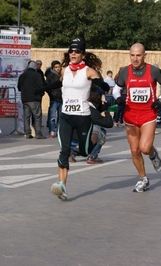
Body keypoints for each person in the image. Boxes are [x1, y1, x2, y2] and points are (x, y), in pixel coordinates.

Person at [38, 38, 110, 200]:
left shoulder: (89, 71)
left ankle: (98, 138)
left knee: (85, 151)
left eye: (77, 51)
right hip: (66, 116)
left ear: (82, 54)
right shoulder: (64, 70)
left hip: (83, 117)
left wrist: (102, 84)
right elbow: (58, 84)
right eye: (71, 51)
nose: (73, 53)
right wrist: (42, 88)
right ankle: (61, 185)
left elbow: (101, 85)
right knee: (64, 151)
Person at [113, 43, 161, 193]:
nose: (135, 58)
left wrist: (160, 99)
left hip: (148, 114)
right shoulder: (125, 71)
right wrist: (118, 98)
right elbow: (116, 89)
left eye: (138, 55)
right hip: (130, 115)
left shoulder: (153, 70)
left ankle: (153, 154)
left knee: (144, 148)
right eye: (132, 55)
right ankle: (143, 178)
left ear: (144, 56)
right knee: (134, 150)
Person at [17, 60, 46, 139]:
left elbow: (19, 88)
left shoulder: (22, 75)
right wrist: (41, 94)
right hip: (35, 99)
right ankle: (38, 133)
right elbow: (41, 86)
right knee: (37, 116)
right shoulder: (37, 75)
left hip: (25, 99)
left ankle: (27, 133)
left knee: (26, 116)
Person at [45, 60, 62, 138]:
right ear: (53, 68)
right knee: (52, 116)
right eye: (56, 67)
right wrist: (51, 94)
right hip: (54, 99)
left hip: (62, 99)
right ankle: (52, 130)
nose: (58, 68)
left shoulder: (62, 75)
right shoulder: (50, 76)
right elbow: (47, 87)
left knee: (61, 116)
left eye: (59, 67)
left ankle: (59, 130)